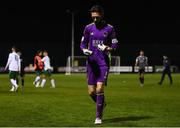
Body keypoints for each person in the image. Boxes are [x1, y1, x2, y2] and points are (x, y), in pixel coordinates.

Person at [80, 5, 118, 124]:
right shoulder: (88, 28)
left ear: (102, 15)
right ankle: (102, 103)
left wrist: (108, 48)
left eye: (97, 17)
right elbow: (83, 43)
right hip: (91, 63)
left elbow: (115, 45)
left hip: (103, 63)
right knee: (91, 92)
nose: (95, 19)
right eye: (93, 17)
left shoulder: (110, 29)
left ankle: (98, 117)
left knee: (100, 88)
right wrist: (84, 50)